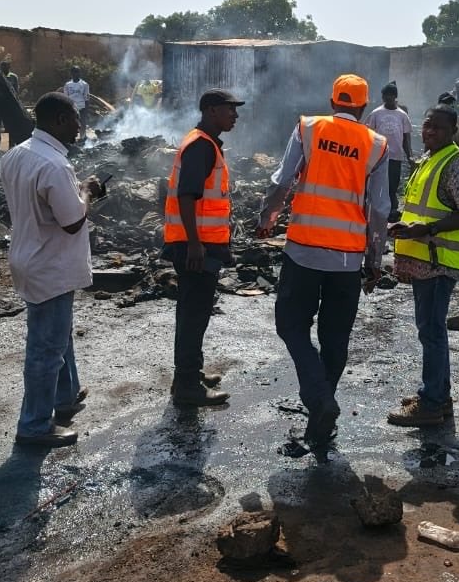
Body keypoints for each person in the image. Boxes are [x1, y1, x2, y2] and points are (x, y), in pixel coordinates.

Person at [256, 74, 389, 450]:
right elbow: (380, 208)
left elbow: (283, 181)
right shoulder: (376, 145)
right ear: (363, 107)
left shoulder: (309, 128)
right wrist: (375, 258)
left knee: (290, 324)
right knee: (335, 337)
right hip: (347, 259)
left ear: (333, 102)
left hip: (303, 250)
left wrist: (267, 217)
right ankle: (322, 407)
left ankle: (318, 399)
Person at [1, 93, 105, 448]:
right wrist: (86, 191)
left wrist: (77, 192)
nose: (80, 125)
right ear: (60, 120)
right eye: (76, 118)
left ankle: (65, 395)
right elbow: (73, 221)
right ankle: (33, 425)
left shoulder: (18, 153)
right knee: (46, 348)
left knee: (58, 335)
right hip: (50, 264)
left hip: (30, 256)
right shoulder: (55, 165)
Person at [387, 105, 459, 426]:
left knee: (431, 331)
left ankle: (431, 403)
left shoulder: (456, 164)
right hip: (425, 258)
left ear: (453, 130)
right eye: (427, 125)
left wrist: (428, 229)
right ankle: (439, 395)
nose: (430, 131)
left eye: (438, 127)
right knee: (430, 329)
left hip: (439, 261)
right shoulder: (429, 158)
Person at [163, 89, 244, 407]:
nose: (235, 115)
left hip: (197, 243)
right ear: (211, 111)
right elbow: (187, 196)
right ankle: (187, 385)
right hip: (196, 247)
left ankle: (188, 374)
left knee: (192, 312)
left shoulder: (204, 142)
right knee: (194, 315)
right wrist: (195, 244)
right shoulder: (201, 146)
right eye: (229, 109)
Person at [364, 82, 413, 223]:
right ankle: (375, 211)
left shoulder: (402, 115)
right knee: (377, 184)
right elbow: (368, 135)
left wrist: (409, 155)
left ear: (395, 96)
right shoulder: (376, 113)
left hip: (395, 157)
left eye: (390, 95)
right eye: (385, 95)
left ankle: (391, 211)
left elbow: (406, 137)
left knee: (393, 185)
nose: (387, 98)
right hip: (378, 157)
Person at [0, 61, 21, 151]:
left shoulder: (13, 77)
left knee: (11, 126)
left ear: (9, 67)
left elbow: (16, 91)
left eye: (6, 67)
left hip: (10, 106)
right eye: (2, 67)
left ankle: (11, 146)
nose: (4, 68)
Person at [62, 66, 91, 139]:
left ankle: (82, 138)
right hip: (71, 107)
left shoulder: (84, 84)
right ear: (71, 73)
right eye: (74, 72)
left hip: (82, 107)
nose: (76, 73)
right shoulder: (67, 85)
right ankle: (71, 138)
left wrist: (86, 110)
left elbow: (87, 98)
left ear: (80, 73)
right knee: (70, 123)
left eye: (78, 72)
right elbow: (65, 97)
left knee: (83, 123)